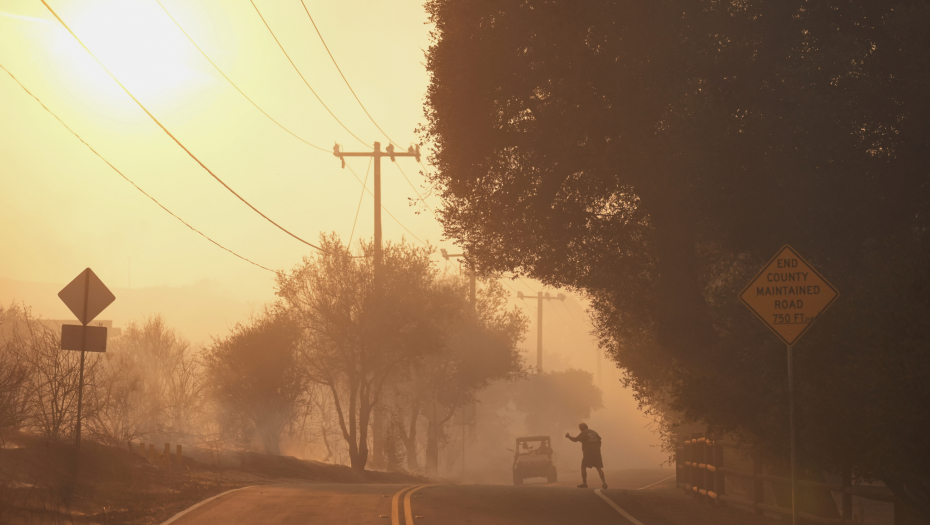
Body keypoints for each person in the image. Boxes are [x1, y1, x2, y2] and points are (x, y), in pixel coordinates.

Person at [565, 423, 607, 489]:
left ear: (581, 428)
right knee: (598, 468)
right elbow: (600, 441)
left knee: (583, 466)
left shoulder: (584, 433)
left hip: (588, 453)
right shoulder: (594, 432)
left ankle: (584, 483)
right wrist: (597, 448)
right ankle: (604, 483)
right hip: (597, 453)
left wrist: (568, 436)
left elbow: (575, 440)